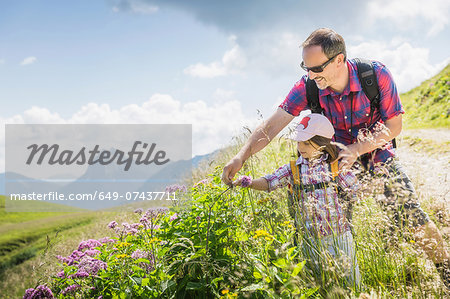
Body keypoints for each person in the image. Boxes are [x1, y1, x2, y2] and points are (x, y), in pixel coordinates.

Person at [222, 28, 449, 289]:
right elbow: (271, 127)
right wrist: (241, 156)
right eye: (306, 68)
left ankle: (446, 273)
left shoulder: (375, 75)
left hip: (377, 155)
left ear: (339, 60)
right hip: (329, 168)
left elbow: (394, 126)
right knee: (324, 232)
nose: (310, 75)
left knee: (412, 218)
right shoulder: (307, 87)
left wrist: (356, 149)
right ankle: (337, 288)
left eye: (316, 68)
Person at [233, 113, 361, 286]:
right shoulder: (295, 169)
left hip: (340, 237)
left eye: (306, 142)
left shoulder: (336, 167)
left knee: (352, 284)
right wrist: (248, 183)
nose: (300, 146)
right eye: (299, 142)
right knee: (320, 287)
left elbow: (358, 191)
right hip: (310, 241)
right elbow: (270, 181)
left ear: (322, 143)